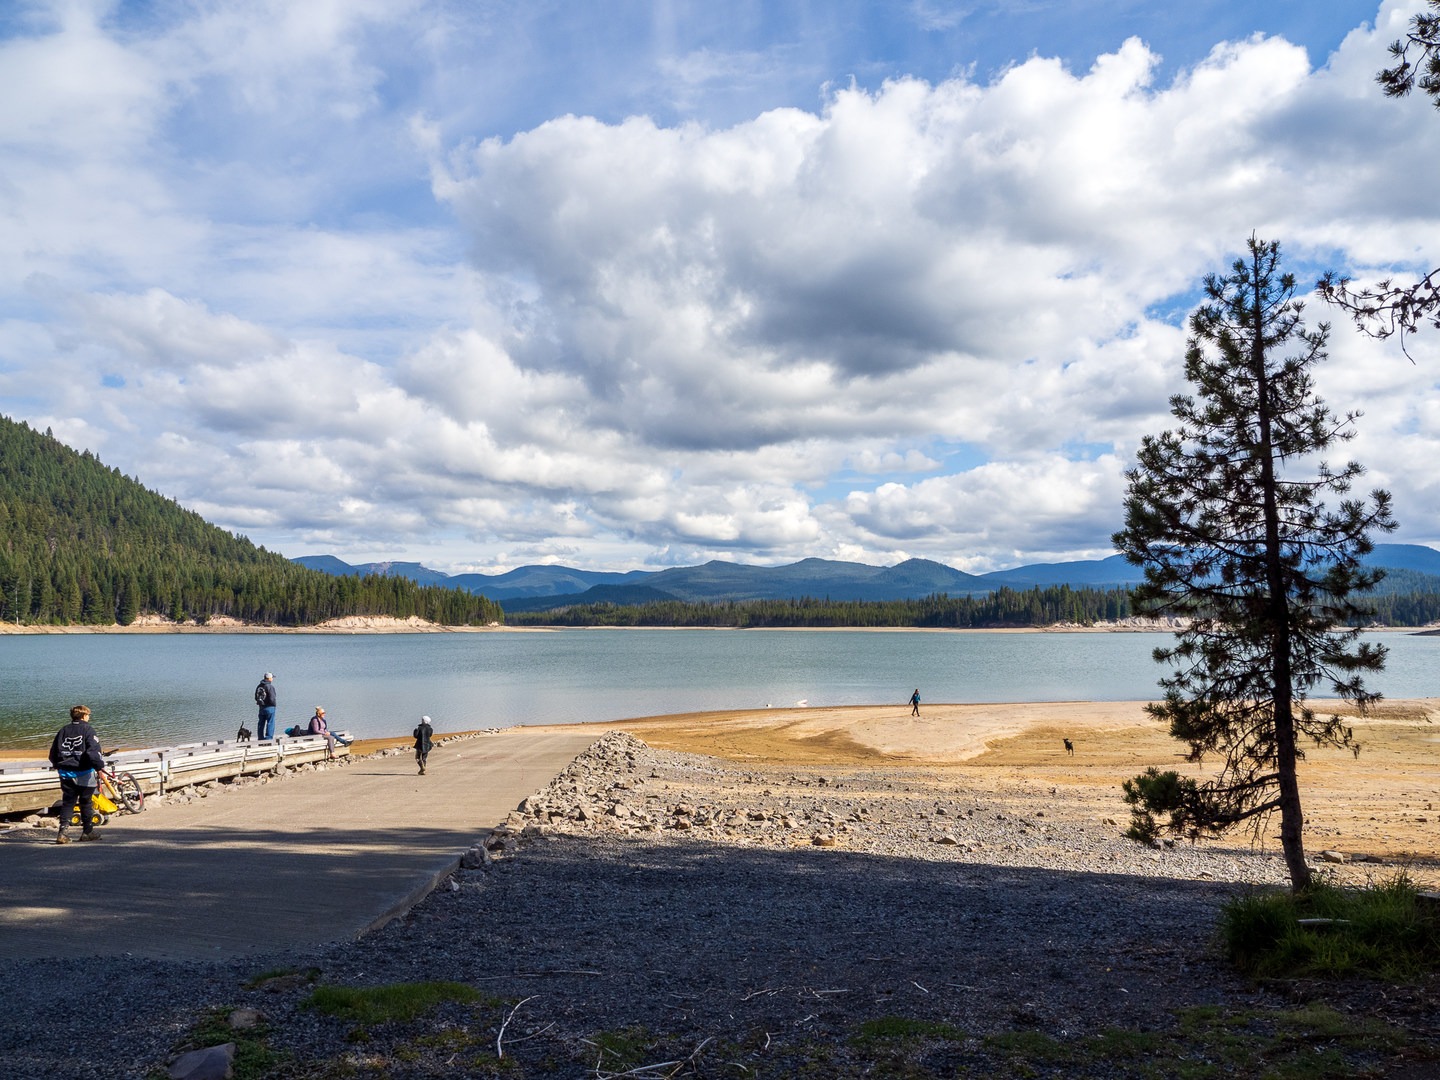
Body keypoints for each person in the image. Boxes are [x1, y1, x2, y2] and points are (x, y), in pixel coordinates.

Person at [48, 705, 108, 844]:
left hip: (65, 773)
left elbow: (53, 753)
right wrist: (99, 766)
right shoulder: (88, 730)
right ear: (84, 716)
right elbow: (93, 752)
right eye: (88, 715)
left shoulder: (63, 730)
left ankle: (62, 833)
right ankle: (87, 832)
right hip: (84, 772)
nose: (89, 717)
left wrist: (58, 765)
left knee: (68, 803)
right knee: (86, 802)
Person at [254, 672, 277, 740]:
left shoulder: (259, 686)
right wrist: (274, 705)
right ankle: (268, 739)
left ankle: (260, 738)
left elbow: (256, 697)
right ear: (269, 678)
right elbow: (272, 698)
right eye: (272, 677)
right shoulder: (270, 687)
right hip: (270, 707)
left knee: (261, 724)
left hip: (261, 708)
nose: (272, 678)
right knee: (270, 723)